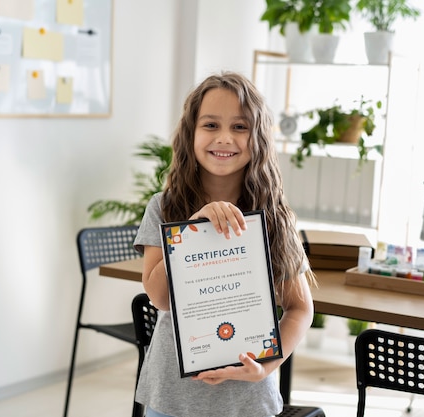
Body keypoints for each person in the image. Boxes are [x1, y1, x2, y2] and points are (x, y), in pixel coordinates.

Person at [133, 71, 316, 417]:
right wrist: (192, 228)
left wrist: (266, 366)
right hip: (172, 397)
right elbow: (158, 296)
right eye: (211, 125)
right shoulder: (165, 206)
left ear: (258, 138)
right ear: (191, 134)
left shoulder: (275, 215)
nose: (225, 138)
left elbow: (300, 308)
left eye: (240, 127)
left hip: (248, 402)